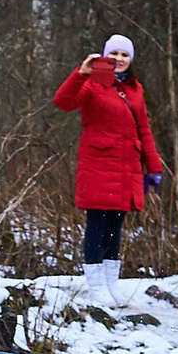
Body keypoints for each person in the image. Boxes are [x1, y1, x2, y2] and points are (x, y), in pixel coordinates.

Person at [53, 34, 165, 306]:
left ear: (131, 59)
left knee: (116, 224)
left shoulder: (135, 89)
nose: (119, 59)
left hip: (127, 168)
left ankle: (111, 283)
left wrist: (153, 167)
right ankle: (96, 285)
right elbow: (63, 101)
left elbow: (144, 129)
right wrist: (81, 73)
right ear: (105, 56)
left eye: (124, 54)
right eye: (114, 53)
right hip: (98, 165)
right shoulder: (92, 84)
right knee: (97, 222)